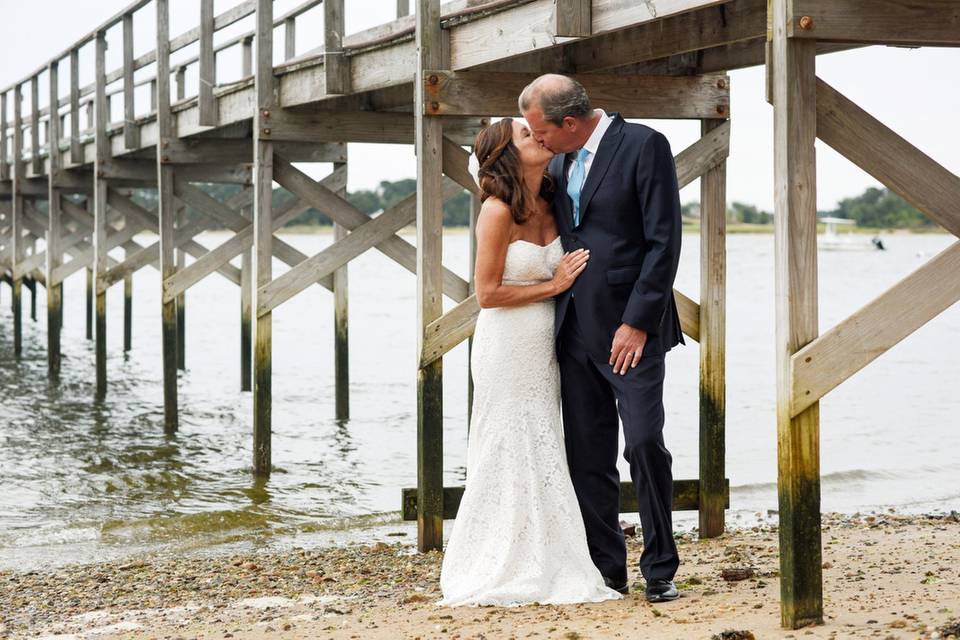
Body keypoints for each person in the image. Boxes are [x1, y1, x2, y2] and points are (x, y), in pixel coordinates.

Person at [437, 117, 622, 607]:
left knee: (544, 440)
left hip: (551, 344)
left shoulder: (554, 199)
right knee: (506, 440)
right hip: (506, 343)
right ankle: (498, 557)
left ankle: (554, 551)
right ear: (507, 157)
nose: (537, 136)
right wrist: (554, 285)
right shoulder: (497, 212)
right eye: (524, 134)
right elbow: (488, 293)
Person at [519, 74, 685, 603]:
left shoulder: (643, 144)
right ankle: (606, 568)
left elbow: (664, 240)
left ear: (569, 123)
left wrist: (637, 321)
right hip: (571, 328)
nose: (535, 139)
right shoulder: (559, 160)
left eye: (539, 130)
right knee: (587, 454)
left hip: (630, 330)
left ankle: (660, 566)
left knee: (642, 442)